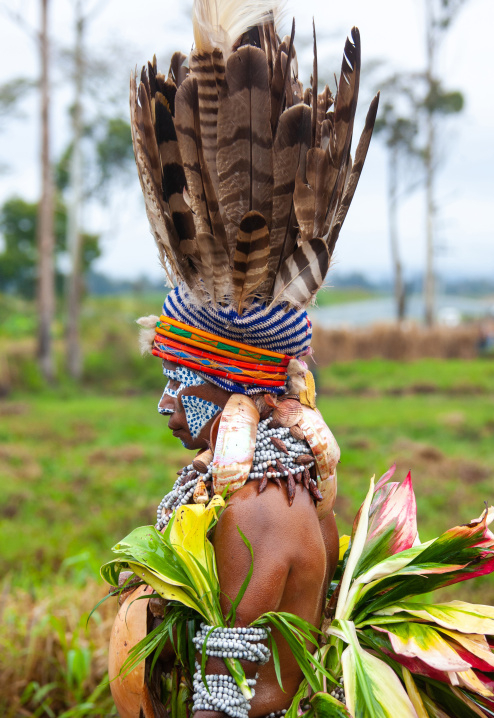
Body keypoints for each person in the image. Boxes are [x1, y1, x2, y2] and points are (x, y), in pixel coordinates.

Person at [105, 1, 379, 715]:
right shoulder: (304, 494)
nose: (166, 404)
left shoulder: (251, 517)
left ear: (236, 392)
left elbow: (223, 695)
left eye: (179, 382)